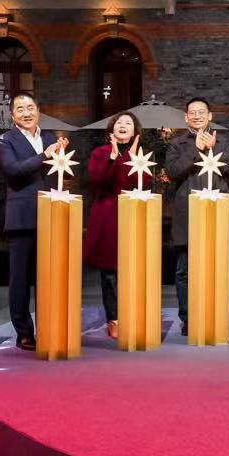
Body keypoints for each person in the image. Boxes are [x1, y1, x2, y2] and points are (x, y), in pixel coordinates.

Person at [0, 91, 70, 351]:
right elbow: (13, 171)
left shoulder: (50, 138)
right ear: (12, 115)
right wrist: (44, 156)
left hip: (51, 215)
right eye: (20, 109)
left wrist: (62, 158)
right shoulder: (4, 140)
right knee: (21, 279)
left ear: (38, 110)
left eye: (30, 108)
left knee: (49, 276)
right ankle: (24, 332)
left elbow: (57, 172)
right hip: (22, 217)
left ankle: (50, 327)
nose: (26, 113)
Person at [162, 95, 229, 335]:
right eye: (192, 113)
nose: (197, 116)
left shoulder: (223, 141)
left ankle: (215, 314)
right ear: (186, 117)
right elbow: (172, 172)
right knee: (184, 271)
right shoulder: (177, 144)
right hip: (187, 214)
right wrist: (195, 150)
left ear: (210, 116)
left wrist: (213, 148)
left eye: (201, 112)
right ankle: (188, 318)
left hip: (216, 213)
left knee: (216, 268)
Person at [83, 110, 140, 341]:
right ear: (112, 129)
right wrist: (113, 158)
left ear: (135, 132)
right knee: (109, 273)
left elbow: (142, 184)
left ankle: (132, 315)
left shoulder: (139, 154)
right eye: (119, 122)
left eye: (128, 123)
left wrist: (131, 159)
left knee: (132, 271)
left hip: (132, 217)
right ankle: (113, 319)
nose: (123, 125)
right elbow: (98, 181)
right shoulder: (101, 153)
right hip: (107, 217)